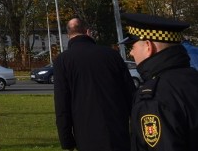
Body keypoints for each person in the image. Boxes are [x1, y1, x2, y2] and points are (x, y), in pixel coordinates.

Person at [52, 16, 134, 150]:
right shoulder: (112, 55)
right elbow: (130, 93)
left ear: (68, 35)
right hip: (117, 129)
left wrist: (66, 139)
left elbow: (62, 104)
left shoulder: (62, 61)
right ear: (88, 32)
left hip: (86, 134)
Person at [120, 12, 198, 151]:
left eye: (133, 46)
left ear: (148, 47)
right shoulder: (192, 77)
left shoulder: (154, 98)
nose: (131, 53)